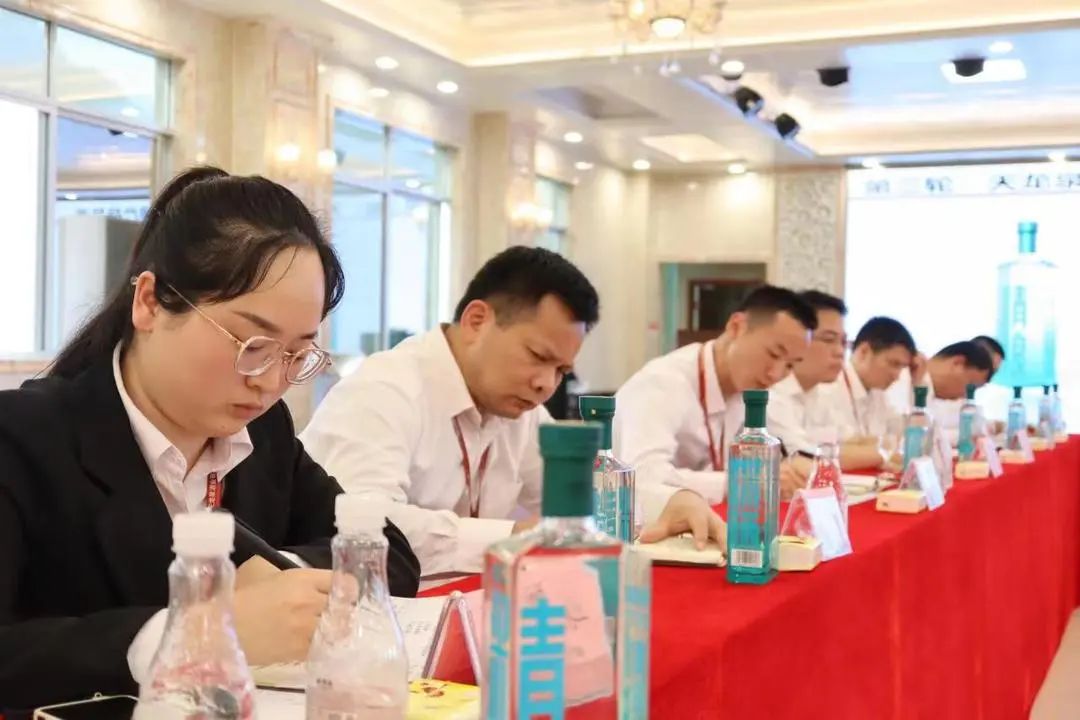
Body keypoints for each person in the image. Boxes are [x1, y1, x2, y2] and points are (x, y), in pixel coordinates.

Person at [0, 167, 421, 711]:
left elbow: (390, 555)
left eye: (296, 354)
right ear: (150, 302)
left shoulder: (261, 433)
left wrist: (277, 580)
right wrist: (196, 629)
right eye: (251, 343)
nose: (270, 382)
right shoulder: (24, 439)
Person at [301, 246, 723, 581]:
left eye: (561, 371)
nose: (546, 385)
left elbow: (584, 493)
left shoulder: (517, 409)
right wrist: (516, 537)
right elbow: (362, 525)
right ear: (477, 320)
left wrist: (669, 502)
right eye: (537, 356)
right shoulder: (383, 391)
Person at [613, 285, 816, 502]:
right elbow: (643, 477)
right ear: (736, 326)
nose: (775, 374)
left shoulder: (752, 388)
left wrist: (800, 466)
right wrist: (743, 482)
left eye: (790, 365)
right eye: (773, 354)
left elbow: (797, 447)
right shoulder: (662, 383)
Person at [766, 290, 856, 477]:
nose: (840, 352)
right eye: (829, 339)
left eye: (843, 342)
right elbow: (807, 458)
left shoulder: (822, 392)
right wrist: (883, 453)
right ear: (800, 338)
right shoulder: (772, 393)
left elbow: (850, 441)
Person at [812, 316, 917, 469]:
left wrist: (917, 383)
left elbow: (906, 438)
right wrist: (883, 449)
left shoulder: (878, 393)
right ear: (863, 352)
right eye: (893, 364)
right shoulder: (828, 386)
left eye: (902, 367)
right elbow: (828, 452)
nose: (897, 375)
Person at [885, 341, 994, 443]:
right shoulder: (904, 373)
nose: (963, 396)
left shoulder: (927, 388)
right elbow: (899, 437)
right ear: (957, 363)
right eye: (970, 385)